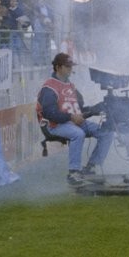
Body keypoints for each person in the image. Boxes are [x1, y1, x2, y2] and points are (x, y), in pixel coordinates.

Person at [36, 53, 113, 186]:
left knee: (107, 132)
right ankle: (73, 173)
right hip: (54, 125)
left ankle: (91, 167)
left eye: (71, 66)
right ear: (58, 67)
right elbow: (49, 113)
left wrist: (96, 109)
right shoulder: (49, 87)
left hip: (72, 123)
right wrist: (71, 117)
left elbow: (80, 110)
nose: (71, 69)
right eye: (67, 66)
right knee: (78, 134)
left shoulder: (71, 86)